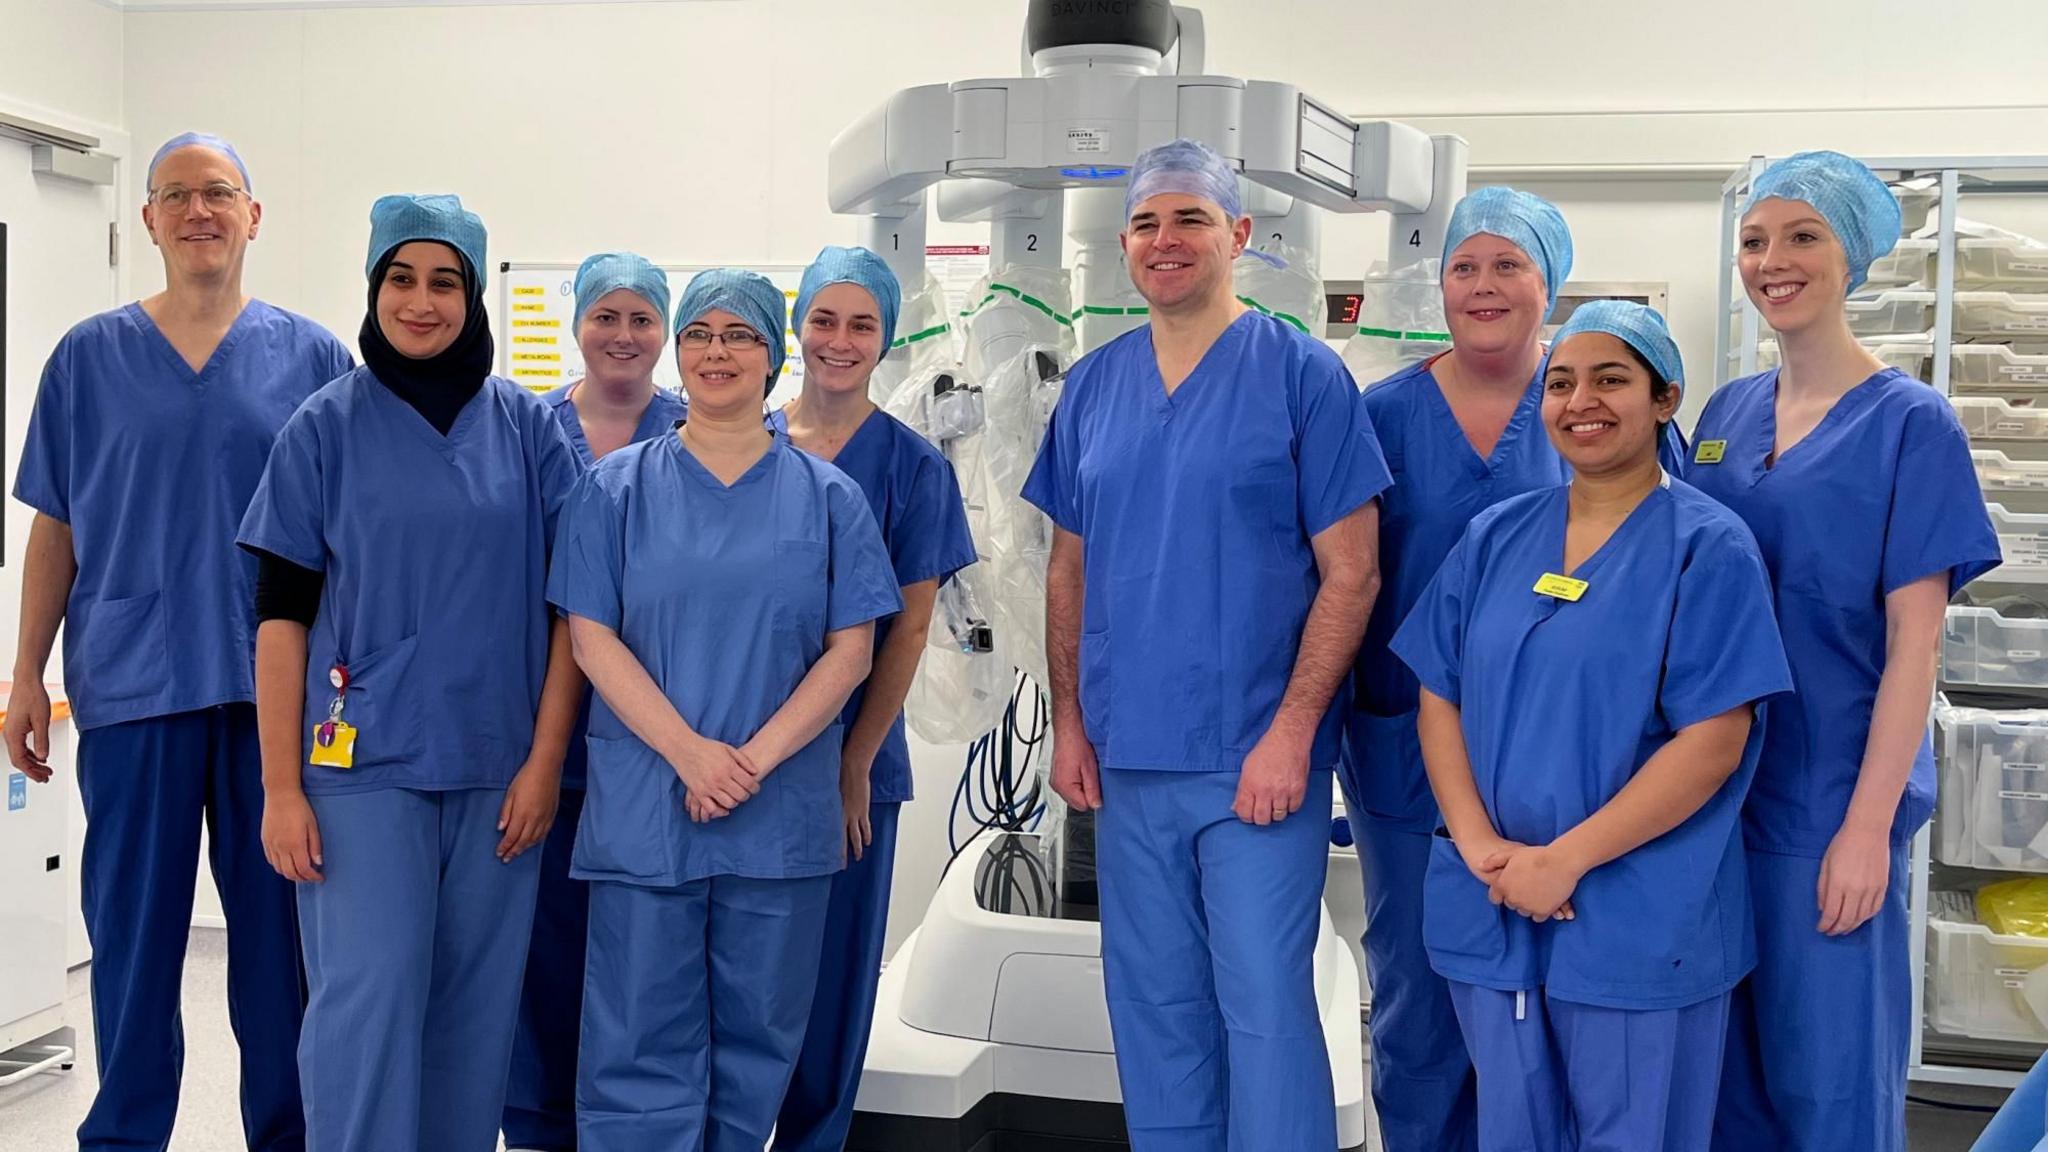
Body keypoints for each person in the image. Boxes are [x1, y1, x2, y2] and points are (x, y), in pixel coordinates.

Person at [1021, 137, 1390, 1151]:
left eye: (1187, 218)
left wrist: (1292, 732)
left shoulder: (1301, 377)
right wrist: (1069, 724)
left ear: (1235, 234)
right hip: (1128, 757)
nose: (1164, 239)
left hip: (1253, 761)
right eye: (1144, 222)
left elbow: (1350, 572)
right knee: (1151, 1004)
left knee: (1264, 1004)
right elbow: (1068, 568)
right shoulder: (1094, 388)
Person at [4, 131, 352, 1152]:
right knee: (134, 945)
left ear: (253, 216)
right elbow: (55, 527)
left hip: (270, 703)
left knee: (278, 955)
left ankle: (285, 1137)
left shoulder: (316, 359)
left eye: (219, 194)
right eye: (176, 196)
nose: (199, 212)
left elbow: (349, 538)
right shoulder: (87, 358)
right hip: (131, 691)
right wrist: (25, 674)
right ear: (148, 220)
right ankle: (124, 1137)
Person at [1393, 301, 1792, 1152]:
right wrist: (1477, 847)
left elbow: (1713, 744)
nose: (1582, 401)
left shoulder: (1708, 547)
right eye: (1562, 382)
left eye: (1612, 379)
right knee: (1511, 1128)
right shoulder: (1497, 536)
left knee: (1632, 1131)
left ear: (1665, 399)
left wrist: (1564, 860)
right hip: (1493, 895)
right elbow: (1440, 693)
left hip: (1638, 912)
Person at [237, 193, 585, 1152]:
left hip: (498, 772)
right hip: (358, 776)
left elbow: (574, 616)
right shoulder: (323, 428)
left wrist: (545, 761)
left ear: (473, 296)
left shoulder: (528, 430)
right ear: (374, 287)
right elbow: (279, 620)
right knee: (367, 1008)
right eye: (401, 278)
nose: (420, 301)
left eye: (443, 281)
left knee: (474, 1020)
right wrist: (279, 789)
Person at [1688, 151, 2002, 1152]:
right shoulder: (1723, 418)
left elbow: (1916, 643)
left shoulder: (1910, 424)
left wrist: (1865, 829)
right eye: (1752, 240)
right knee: (1722, 1078)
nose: (1769, 261)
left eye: (1799, 237)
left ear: (1851, 255)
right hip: (1706, 796)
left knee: (1825, 1077)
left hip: (1826, 800)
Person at [551, 268, 902, 1152]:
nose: (717, 352)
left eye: (739, 335)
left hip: (776, 814)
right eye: (699, 335)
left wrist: (751, 762)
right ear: (679, 353)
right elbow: (591, 637)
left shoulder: (830, 500)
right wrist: (692, 757)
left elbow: (850, 653)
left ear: (773, 356)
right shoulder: (613, 490)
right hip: (649, 807)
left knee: (759, 1044)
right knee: (636, 1043)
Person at [1339, 185, 1575, 1152]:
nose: (1483, 287)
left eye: (1507, 265)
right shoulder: (1381, 416)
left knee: (1547, 986)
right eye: (1463, 267)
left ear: (1549, 283)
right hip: (1401, 747)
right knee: (1419, 984)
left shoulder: (1594, 400)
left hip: (1560, 753)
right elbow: (1336, 579)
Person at [770, 246, 977, 1152]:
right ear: (798, 326)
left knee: (834, 975)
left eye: (862, 324)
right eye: (825, 320)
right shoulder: (749, 442)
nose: (840, 341)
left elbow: (911, 627)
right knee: (743, 976)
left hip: (851, 764)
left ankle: (814, 1140)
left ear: (887, 337)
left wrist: (854, 763)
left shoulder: (913, 467)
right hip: (741, 752)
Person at [503, 250, 685, 1152]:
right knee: (541, 961)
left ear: (666, 333)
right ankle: (539, 1131)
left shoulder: (707, 433)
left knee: (638, 967)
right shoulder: (523, 428)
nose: (623, 335)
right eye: (606, 316)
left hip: (657, 739)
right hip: (540, 736)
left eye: (642, 318)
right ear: (577, 324)